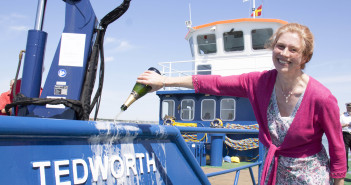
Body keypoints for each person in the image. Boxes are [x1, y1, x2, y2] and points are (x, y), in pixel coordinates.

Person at [136, 23, 346, 184]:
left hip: (310, 176)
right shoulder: (258, 83)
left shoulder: (321, 97)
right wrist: (164, 81)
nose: (284, 54)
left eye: (293, 50)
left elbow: (337, 148)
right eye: (280, 46)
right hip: (273, 171)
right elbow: (214, 84)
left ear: (305, 57)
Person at [341, 102, 351, 171]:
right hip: (345, 135)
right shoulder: (342, 116)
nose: (350, 109)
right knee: (345, 152)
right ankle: (345, 169)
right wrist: (346, 124)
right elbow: (338, 125)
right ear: (346, 108)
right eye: (349, 108)